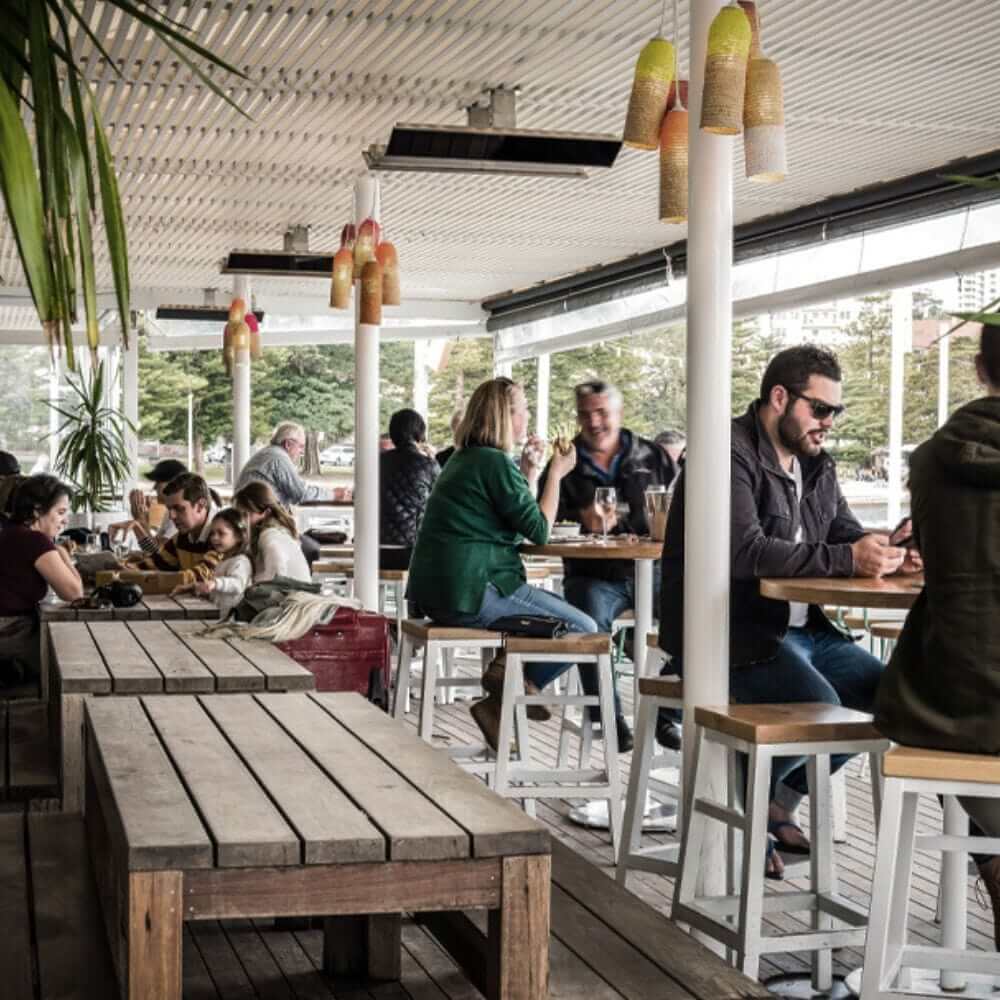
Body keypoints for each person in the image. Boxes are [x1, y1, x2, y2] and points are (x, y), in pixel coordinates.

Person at [658, 344, 913, 878]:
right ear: (780, 397)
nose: (829, 423)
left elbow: (841, 529)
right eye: (820, 409)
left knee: (891, 697)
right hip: (734, 630)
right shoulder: (726, 453)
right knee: (818, 703)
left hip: (804, 629)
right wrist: (847, 558)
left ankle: (778, 802)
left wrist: (887, 546)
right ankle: (745, 820)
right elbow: (742, 550)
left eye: (834, 412)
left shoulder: (816, 466)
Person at [874, 324, 1000, 942]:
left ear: (979, 369)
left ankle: (997, 856)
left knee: (964, 750)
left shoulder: (927, 459)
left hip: (943, 692)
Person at [407, 376, 604, 750]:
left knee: (558, 628)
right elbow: (540, 531)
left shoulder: (466, 458)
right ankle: (515, 684)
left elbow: (513, 524)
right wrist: (556, 474)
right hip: (471, 590)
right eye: (524, 407)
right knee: (583, 628)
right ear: (505, 415)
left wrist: (530, 471)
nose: (528, 414)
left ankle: (504, 686)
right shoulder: (493, 462)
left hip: (437, 591)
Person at [536, 380, 675, 749]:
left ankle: (667, 711)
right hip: (592, 574)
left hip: (650, 570)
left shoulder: (652, 456)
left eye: (601, 413)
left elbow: (674, 508)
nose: (593, 422)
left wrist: (646, 527)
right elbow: (543, 521)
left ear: (619, 412)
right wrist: (582, 520)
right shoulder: (564, 460)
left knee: (697, 618)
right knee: (589, 623)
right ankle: (609, 718)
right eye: (585, 414)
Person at [0, 475, 83, 685]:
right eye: (60, 512)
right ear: (37, 510)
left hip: (9, 632)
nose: (65, 520)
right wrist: (63, 553)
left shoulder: (10, 532)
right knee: (75, 655)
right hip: (11, 637)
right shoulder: (34, 540)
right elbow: (74, 593)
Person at [235, 422, 345, 567]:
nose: (301, 452)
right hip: (258, 526)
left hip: (252, 524)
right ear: (288, 444)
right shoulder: (278, 457)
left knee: (308, 543)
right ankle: (297, 586)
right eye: (300, 446)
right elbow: (300, 493)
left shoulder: (269, 454)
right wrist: (333, 494)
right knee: (311, 549)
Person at [131, 473, 222, 584]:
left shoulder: (221, 536)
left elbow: (201, 576)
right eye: (169, 509)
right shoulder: (182, 536)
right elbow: (157, 563)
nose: (172, 516)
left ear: (200, 505)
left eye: (179, 509)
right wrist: (125, 567)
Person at [380, 408, 439, 571]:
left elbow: (357, 497)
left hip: (372, 551)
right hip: (413, 552)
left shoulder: (375, 462)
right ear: (420, 433)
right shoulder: (428, 465)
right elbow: (442, 504)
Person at [172, 508, 252, 619]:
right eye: (212, 533)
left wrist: (214, 583)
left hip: (232, 620)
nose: (214, 538)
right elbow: (218, 592)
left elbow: (237, 584)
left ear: (238, 536)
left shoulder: (241, 561)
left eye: (221, 533)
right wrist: (194, 587)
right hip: (218, 617)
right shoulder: (222, 560)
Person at [233, 481, 311, 583]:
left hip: (294, 595)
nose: (242, 519)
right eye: (240, 513)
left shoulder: (269, 535)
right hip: (296, 592)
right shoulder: (277, 529)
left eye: (247, 514)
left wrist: (253, 586)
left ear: (266, 513)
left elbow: (277, 572)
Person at [109, 458, 187, 553]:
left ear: (173, 483)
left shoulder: (180, 514)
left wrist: (141, 521)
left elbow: (157, 553)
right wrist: (144, 520)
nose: (154, 487)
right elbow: (154, 548)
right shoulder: (169, 512)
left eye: (158, 482)